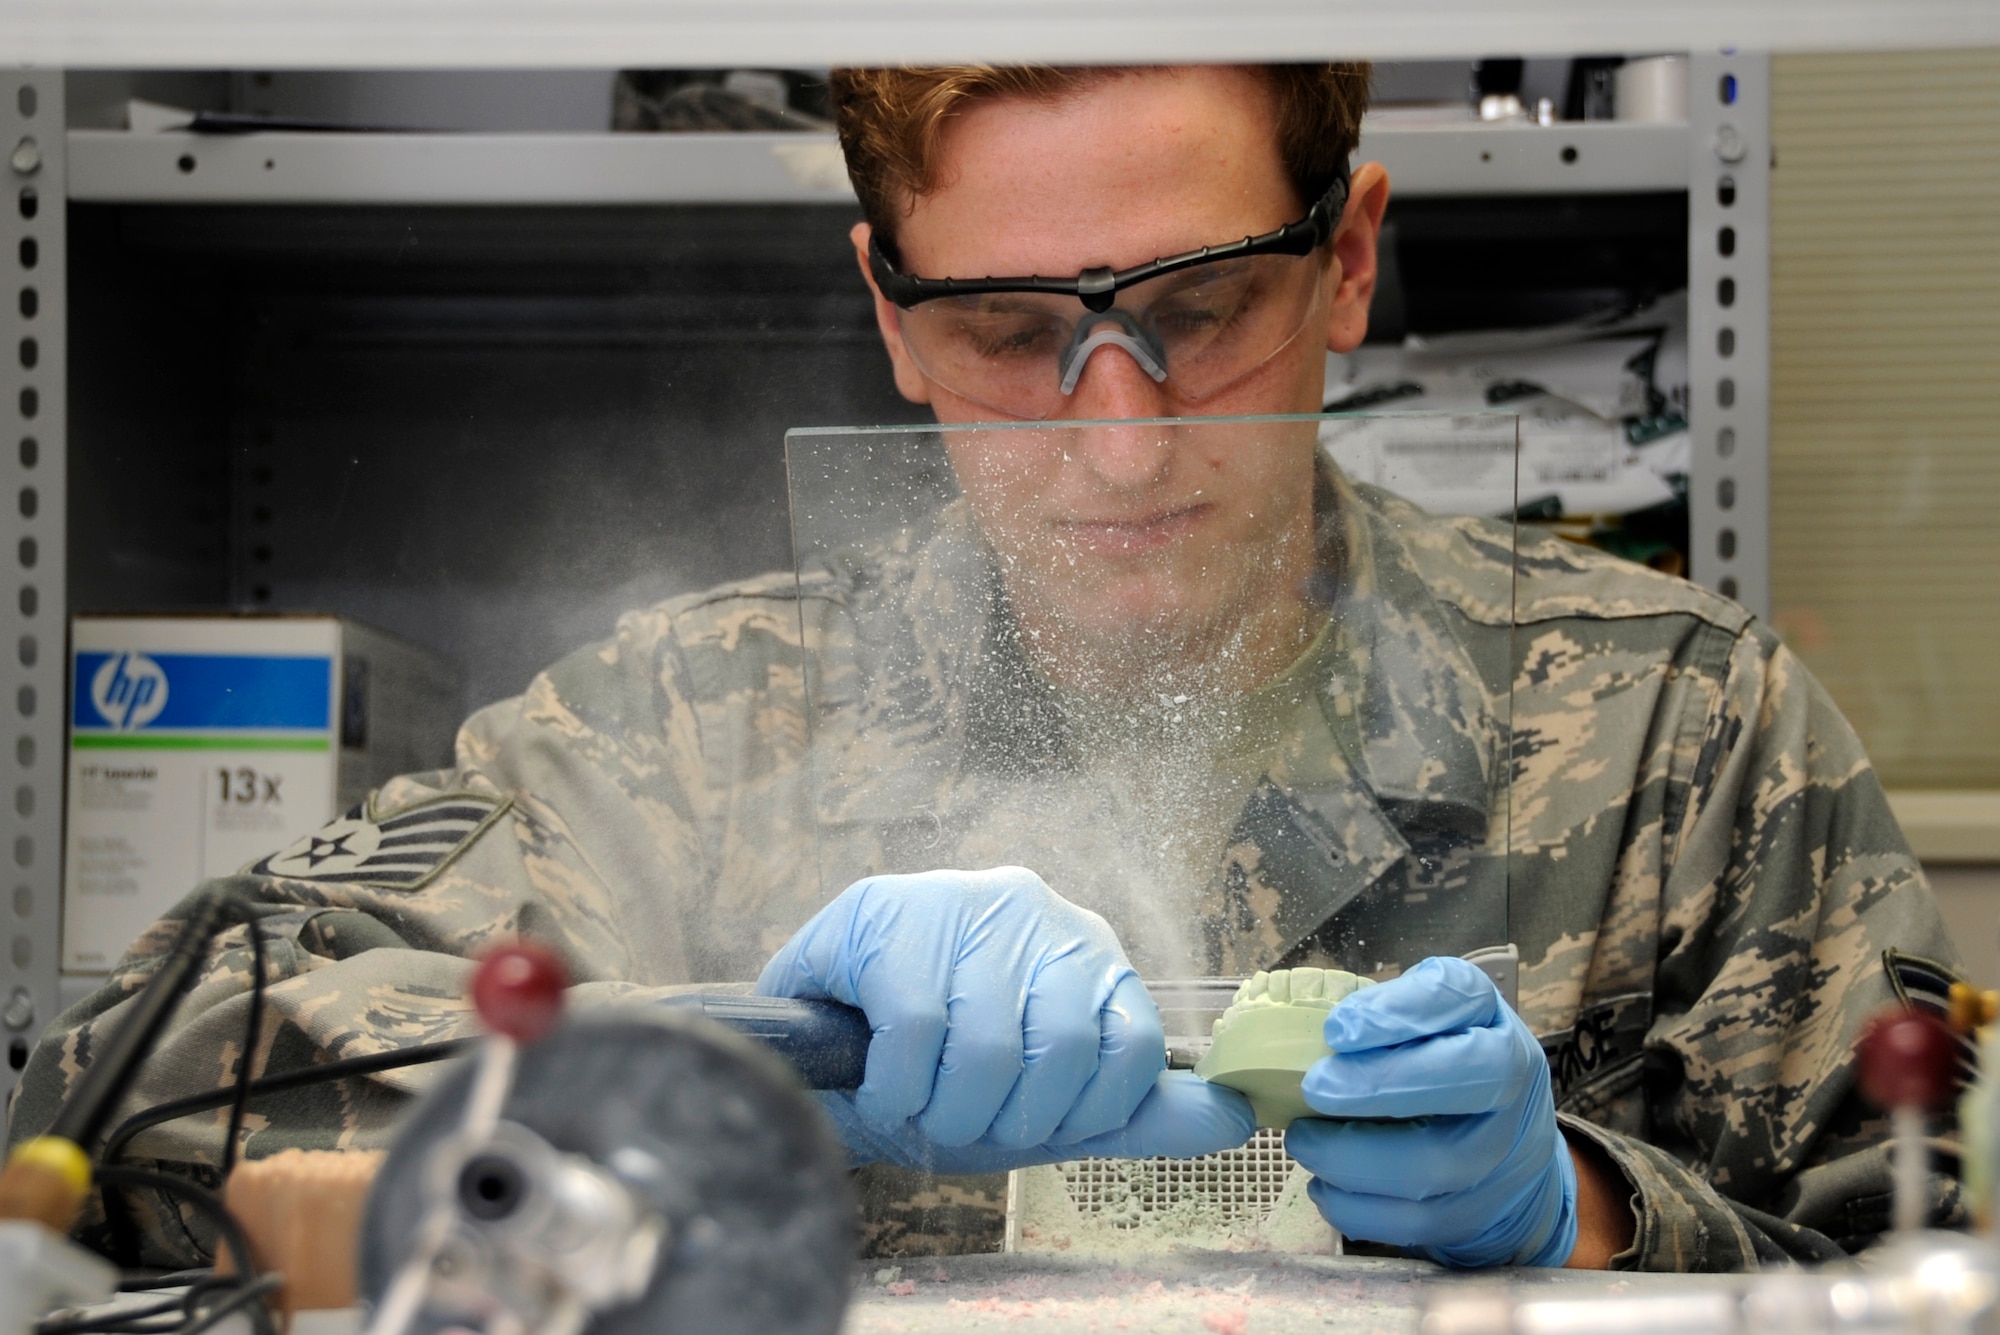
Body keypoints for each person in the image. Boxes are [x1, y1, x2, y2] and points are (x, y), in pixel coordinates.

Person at [9, 63, 1967, 1274]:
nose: (1116, 444)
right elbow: (136, 1100)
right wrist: (708, 1073)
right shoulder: (683, 724)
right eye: (1012, 328)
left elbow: (1942, 1246)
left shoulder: (1672, 727)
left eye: (1202, 311)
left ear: (1350, 253)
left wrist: (1584, 1210)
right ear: (885, 306)